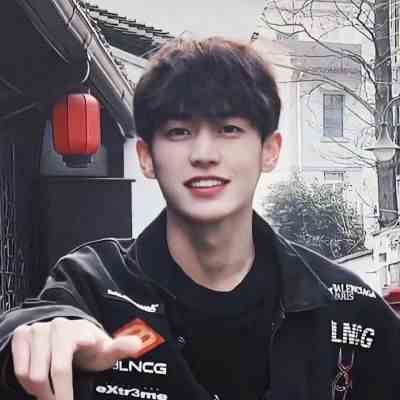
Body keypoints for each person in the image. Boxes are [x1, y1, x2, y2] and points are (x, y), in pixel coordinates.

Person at [0, 36, 399, 400]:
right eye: (179, 132)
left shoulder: (345, 307)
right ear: (146, 157)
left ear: (270, 151)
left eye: (229, 129)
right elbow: (38, 321)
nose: (204, 154)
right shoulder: (95, 285)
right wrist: (45, 332)